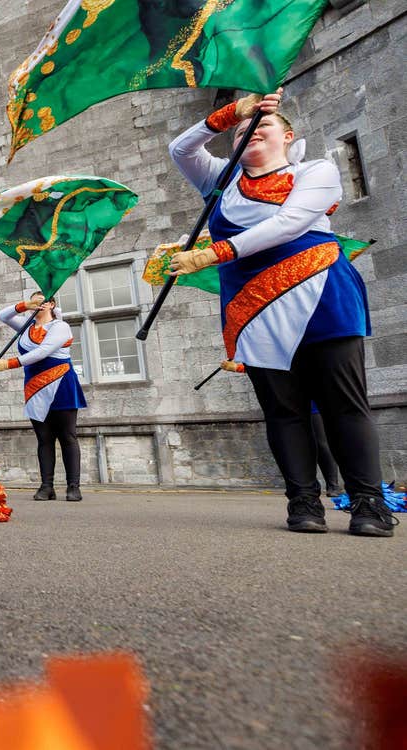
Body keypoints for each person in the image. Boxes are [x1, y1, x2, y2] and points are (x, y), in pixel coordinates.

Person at [167, 89, 394, 536]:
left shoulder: (317, 171)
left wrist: (215, 253)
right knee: (283, 409)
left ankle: (369, 503)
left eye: (263, 125)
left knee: (343, 403)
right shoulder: (220, 180)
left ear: (287, 136)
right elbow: (180, 148)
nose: (250, 133)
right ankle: (303, 502)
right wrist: (235, 112)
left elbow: (288, 224)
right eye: (241, 133)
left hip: (322, 295)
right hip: (253, 309)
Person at [0, 293, 86, 501]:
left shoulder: (60, 327)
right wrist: (25, 305)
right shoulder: (26, 328)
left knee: (67, 437)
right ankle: (46, 486)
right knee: (44, 439)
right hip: (35, 388)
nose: (39, 304)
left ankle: (73, 486)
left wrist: (9, 363)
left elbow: (43, 351)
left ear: (52, 304)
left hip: (61, 384)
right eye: (35, 300)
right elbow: (3, 317)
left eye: (43, 300)